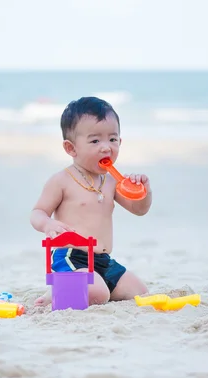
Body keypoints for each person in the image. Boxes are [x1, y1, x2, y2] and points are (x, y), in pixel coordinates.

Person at [30, 96, 151, 307]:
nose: (106, 148)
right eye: (95, 141)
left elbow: (139, 210)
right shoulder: (62, 180)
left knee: (139, 292)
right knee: (97, 293)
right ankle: (57, 292)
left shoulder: (112, 180)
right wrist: (48, 224)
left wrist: (144, 191)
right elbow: (37, 212)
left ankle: (89, 287)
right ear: (71, 148)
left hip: (102, 260)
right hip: (71, 257)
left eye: (113, 139)